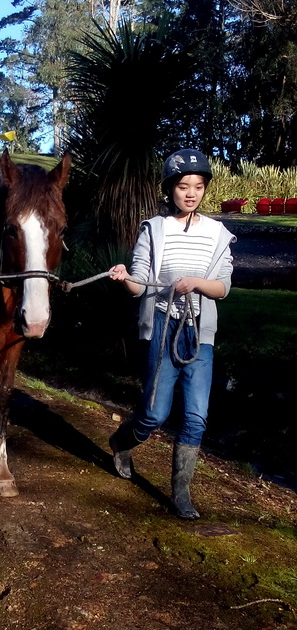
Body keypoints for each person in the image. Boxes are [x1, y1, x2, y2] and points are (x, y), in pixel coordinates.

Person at [109, 149, 235, 520]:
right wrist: (125, 278)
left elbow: (223, 288)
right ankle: (121, 442)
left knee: (196, 417)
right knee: (153, 414)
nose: (191, 193)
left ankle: (180, 493)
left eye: (198, 186)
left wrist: (197, 283)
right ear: (171, 190)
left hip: (200, 334)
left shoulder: (218, 234)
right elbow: (140, 284)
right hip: (164, 326)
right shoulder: (155, 229)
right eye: (183, 186)